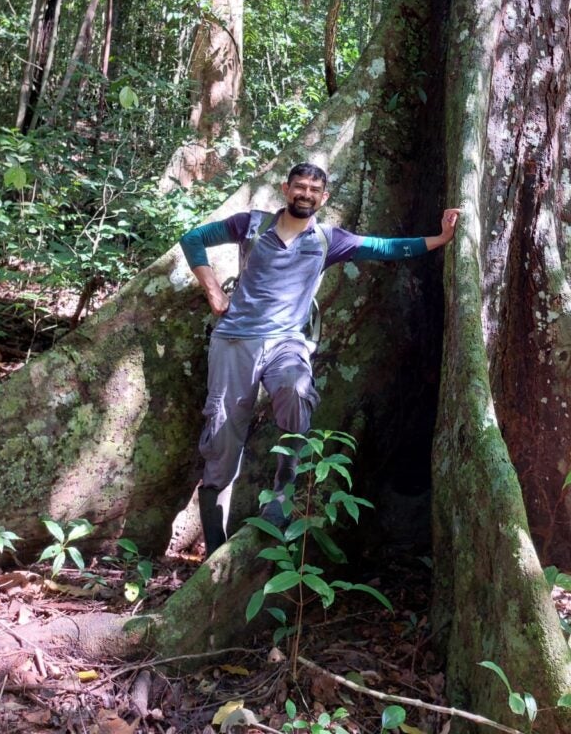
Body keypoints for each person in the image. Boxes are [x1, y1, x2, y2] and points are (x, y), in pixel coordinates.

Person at [180, 162, 460, 556]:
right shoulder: (252, 225)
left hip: (286, 343)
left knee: (296, 392)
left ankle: (282, 492)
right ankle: (215, 549)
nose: (305, 193)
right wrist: (213, 290)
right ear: (285, 189)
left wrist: (440, 238)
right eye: (299, 186)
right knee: (223, 441)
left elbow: (383, 247)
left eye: (314, 189)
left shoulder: (328, 240)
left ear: (323, 198)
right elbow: (193, 238)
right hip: (235, 342)